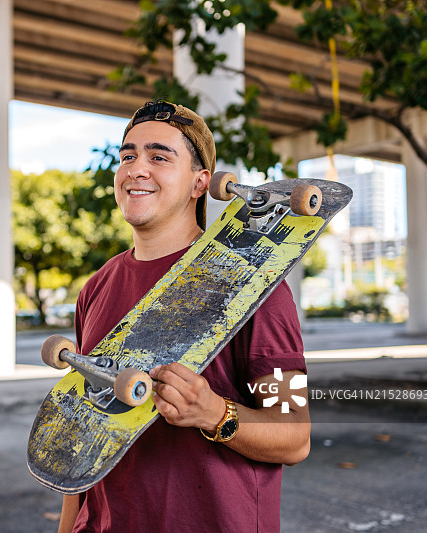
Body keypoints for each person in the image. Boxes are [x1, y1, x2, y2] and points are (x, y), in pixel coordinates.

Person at [58, 100, 311, 533]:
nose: (137, 169)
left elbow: (295, 435)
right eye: (128, 155)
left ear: (200, 183)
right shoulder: (96, 289)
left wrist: (214, 413)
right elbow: (86, 429)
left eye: (159, 157)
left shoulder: (254, 283)